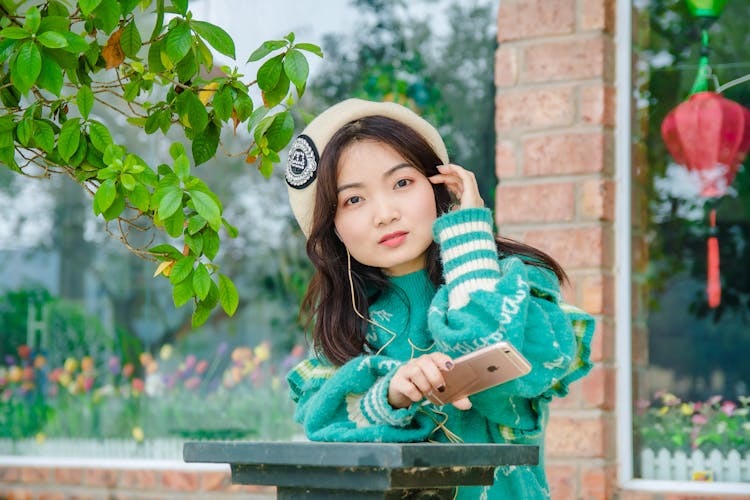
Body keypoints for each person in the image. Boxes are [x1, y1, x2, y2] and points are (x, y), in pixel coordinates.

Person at [284, 99, 595, 499]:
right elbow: (321, 424)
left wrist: (469, 241)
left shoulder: (515, 282)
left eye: (401, 183)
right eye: (353, 200)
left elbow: (497, 352)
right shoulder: (345, 325)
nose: (385, 213)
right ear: (334, 228)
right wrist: (392, 392)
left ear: (441, 185)